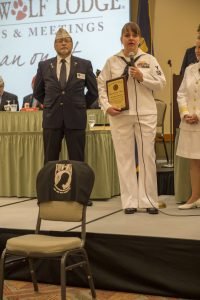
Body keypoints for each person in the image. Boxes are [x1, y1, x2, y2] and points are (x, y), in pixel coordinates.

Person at [98, 22, 166, 214]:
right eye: (127, 35)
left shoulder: (149, 59)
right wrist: (107, 106)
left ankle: (149, 201)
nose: (131, 39)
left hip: (146, 113)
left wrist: (142, 76)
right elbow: (101, 85)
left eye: (134, 35)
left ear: (139, 39)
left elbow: (161, 83)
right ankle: (129, 201)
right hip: (120, 115)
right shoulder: (112, 61)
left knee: (147, 157)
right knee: (124, 158)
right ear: (121, 39)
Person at [33, 28, 98, 164]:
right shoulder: (44, 65)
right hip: (51, 120)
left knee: (77, 161)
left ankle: (77, 186)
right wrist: (51, 103)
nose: (63, 43)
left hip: (76, 119)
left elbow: (94, 91)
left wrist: (81, 105)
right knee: (50, 162)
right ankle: (51, 186)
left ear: (72, 44)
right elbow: (38, 92)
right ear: (54, 45)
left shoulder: (84, 65)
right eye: (60, 41)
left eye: (67, 41)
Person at [176, 37, 200, 210]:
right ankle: (194, 197)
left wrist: (198, 114)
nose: (197, 50)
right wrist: (185, 113)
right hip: (191, 123)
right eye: (197, 47)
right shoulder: (190, 69)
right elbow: (181, 93)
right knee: (194, 161)